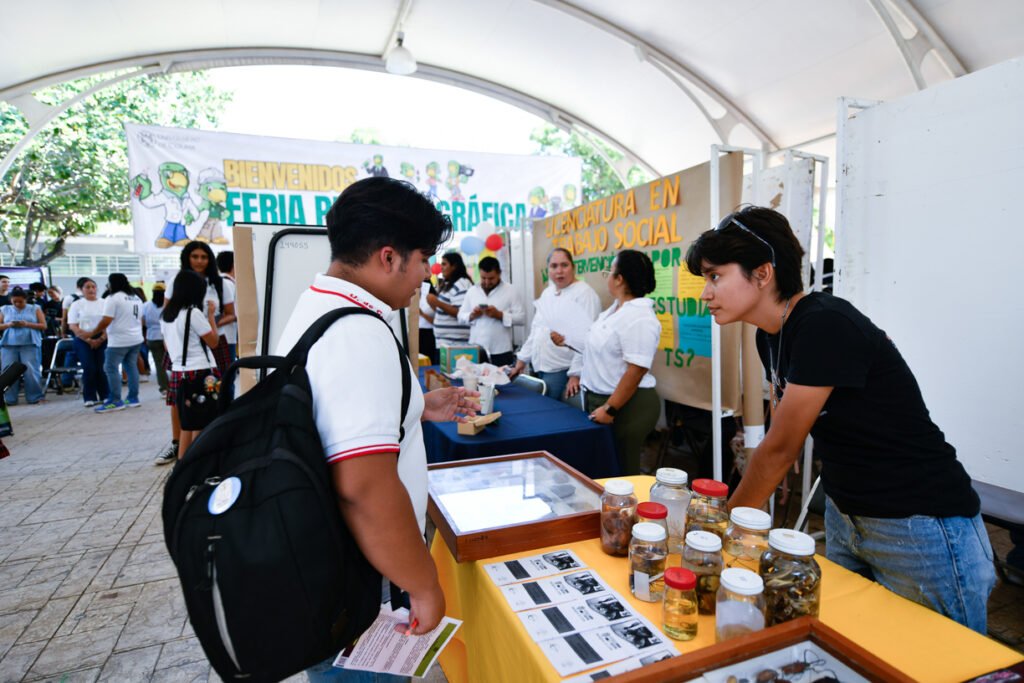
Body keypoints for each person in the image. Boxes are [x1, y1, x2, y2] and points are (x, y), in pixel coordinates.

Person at [685, 205, 995, 633]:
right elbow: (785, 432)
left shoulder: (824, 324)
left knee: (945, 657)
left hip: (918, 523)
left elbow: (779, 449)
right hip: (847, 515)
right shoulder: (769, 337)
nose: (706, 292)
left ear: (762, 274)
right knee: (862, 647)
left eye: (715, 275)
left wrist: (723, 532)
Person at [273, 177, 476, 682]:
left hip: (325, 561)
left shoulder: (319, 305)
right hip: (358, 576)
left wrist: (414, 408)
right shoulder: (357, 332)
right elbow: (364, 486)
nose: (427, 275)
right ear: (389, 257)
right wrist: (423, 584)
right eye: (423, 259)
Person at [565, 250, 661, 475]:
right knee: (605, 468)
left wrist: (610, 408)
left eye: (609, 272)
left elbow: (636, 370)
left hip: (627, 405)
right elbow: (601, 350)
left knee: (623, 471)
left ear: (619, 279)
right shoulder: (615, 310)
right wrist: (567, 342)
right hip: (603, 400)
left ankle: (627, 511)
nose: (606, 277)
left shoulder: (640, 318)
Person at [509, 248, 601, 400]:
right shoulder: (548, 292)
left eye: (564, 265)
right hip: (540, 366)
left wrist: (576, 374)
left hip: (562, 370)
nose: (559, 271)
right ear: (548, 269)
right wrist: (522, 360)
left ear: (573, 267)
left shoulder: (584, 294)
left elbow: (587, 339)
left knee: (550, 413)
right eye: (554, 266)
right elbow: (536, 330)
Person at [160, 270, 220, 461]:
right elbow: (214, 341)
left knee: (188, 423)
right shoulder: (193, 313)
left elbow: (167, 346)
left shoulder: (166, 316)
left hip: (179, 371)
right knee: (203, 422)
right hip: (200, 371)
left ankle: (183, 464)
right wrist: (211, 315)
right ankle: (197, 465)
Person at [172, 241, 236, 375]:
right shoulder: (176, 281)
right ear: (186, 258)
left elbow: (231, 314)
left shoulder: (221, 284)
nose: (199, 261)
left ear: (210, 259)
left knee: (224, 384)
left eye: (204, 257)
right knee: (190, 385)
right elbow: (169, 312)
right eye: (194, 256)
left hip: (218, 337)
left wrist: (208, 324)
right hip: (186, 343)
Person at [457, 256, 525, 367]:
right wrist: (472, 315)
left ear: (499, 273)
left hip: (501, 350)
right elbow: (460, 316)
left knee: (503, 383)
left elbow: (521, 319)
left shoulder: (511, 290)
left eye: (491, 278)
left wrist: (500, 315)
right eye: (483, 278)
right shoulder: (472, 291)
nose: (487, 282)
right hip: (476, 348)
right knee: (475, 382)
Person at [90, 273, 144, 412]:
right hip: (136, 338)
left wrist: (93, 332)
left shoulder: (113, 298)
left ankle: (115, 400)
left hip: (119, 340)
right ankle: (133, 398)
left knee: (110, 368)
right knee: (131, 367)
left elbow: (106, 320)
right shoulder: (136, 297)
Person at [66, 278, 109, 407]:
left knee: (102, 368)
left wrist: (101, 338)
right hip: (83, 338)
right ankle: (89, 397)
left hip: (102, 337)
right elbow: (73, 325)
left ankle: (105, 395)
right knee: (89, 368)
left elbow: (109, 323)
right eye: (87, 287)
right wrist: (88, 339)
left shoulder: (104, 303)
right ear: (81, 290)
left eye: (93, 287)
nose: (91, 289)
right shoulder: (77, 304)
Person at [0, 287, 47, 405]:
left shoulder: (35, 308)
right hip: (9, 344)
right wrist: (8, 325)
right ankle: (9, 398)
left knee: (31, 370)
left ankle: (35, 396)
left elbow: (43, 325)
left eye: (20, 301)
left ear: (26, 300)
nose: (17, 304)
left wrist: (27, 324)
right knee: (8, 371)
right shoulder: (4, 309)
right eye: (14, 301)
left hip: (30, 343)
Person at [426, 252, 472, 347]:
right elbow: (444, 311)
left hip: (456, 344)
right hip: (445, 343)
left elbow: (460, 313)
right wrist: (433, 304)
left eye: (444, 264)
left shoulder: (462, 284)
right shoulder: (448, 284)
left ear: (454, 266)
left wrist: (437, 302)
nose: (441, 267)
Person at [142, 283, 169, 395]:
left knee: (159, 364)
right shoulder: (168, 305)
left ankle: (164, 388)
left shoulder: (146, 305)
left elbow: (142, 321)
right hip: (167, 337)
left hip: (152, 337)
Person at [215, 250, 238, 362]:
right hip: (227, 337)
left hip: (220, 335)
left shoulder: (219, 283)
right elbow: (234, 314)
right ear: (235, 264)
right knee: (228, 375)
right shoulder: (229, 284)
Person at [418, 276, 438, 364]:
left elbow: (438, 320)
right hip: (417, 332)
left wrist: (422, 314)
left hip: (429, 333)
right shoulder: (415, 294)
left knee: (428, 359)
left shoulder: (432, 297)